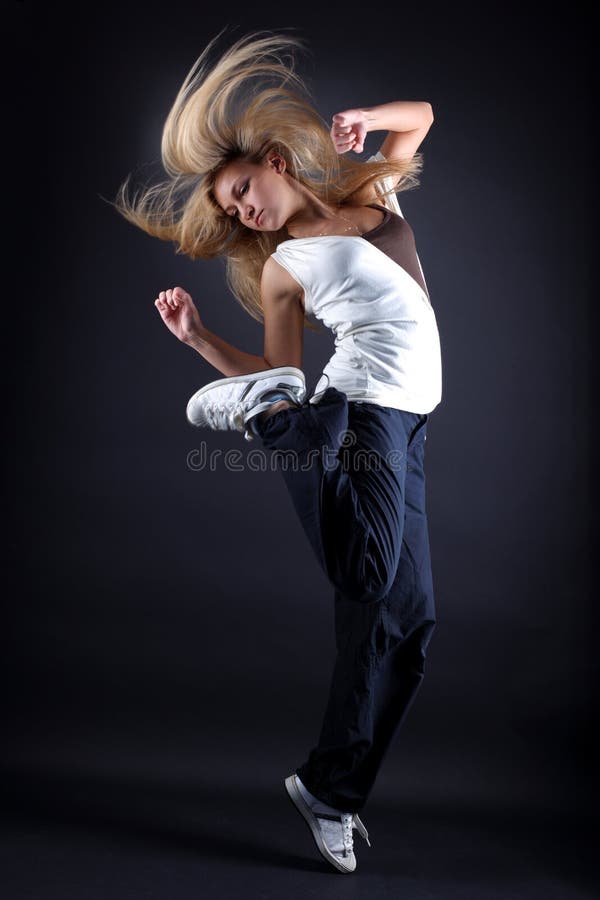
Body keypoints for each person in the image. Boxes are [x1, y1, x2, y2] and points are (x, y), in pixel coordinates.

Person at [114, 29, 442, 875]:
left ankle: (330, 792)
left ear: (272, 160)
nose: (241, 211)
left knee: (408, 626)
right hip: (361, 411)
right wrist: (198, 343)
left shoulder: (376, 195)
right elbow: (281, 369)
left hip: (409, 422)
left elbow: (423, 119)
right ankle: (271, 425)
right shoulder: (284, 270)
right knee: (366, 572)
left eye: (240, 190)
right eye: (231, 210)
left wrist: (369, 118)